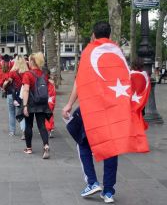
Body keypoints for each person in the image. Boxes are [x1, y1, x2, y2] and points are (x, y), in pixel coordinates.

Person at [62, 22, 149, 204]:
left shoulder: (89, 51)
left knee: (81, 142)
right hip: (114, 109)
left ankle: (92, 182)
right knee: (112, 146)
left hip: (93, 108)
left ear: (93, 34)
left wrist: (69, 104)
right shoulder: (117, 52)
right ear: (109, 34)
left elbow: (81, 81)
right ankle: (108, 191)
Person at [21, 52, 51, 159]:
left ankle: (29, 148)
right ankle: (46, 145)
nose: (28, 62)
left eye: (29, 60)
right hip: (42, 103)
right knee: (42, 126)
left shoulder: (28, 74)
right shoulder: (44, 74)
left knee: (29, 125)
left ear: (33, 61)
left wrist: (24, 106)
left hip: (31, 103)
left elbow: (26, 90)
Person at [4, 55, 28, 138]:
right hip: (22, 95)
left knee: (11, 113)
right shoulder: (26, 72)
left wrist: (4, 87)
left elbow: (6, 83)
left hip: (11, 94)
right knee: (21, 114)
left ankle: (12, 131)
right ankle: (24, 132)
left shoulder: (12, 72)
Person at [44, 68, 56, 138]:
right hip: (51, 99)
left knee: (46, 115)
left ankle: (48, 128)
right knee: (50, 114)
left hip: (47, 100)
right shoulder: (51, 82)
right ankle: (51, 128)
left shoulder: (44, 82)